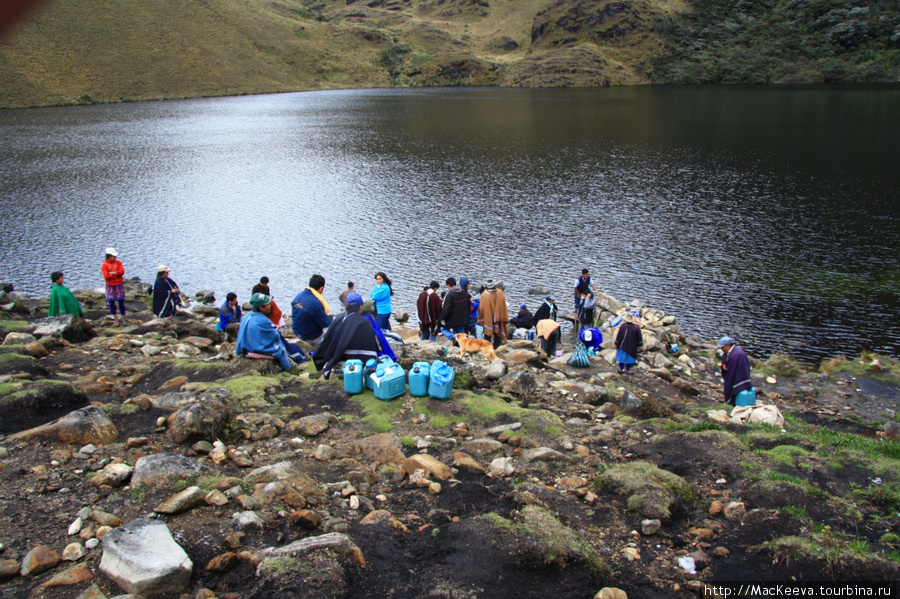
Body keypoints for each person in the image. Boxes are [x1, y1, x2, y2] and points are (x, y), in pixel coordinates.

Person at [313, 293, 384, 379]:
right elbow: (378, 346)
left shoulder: (340, 318)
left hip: (336, 357)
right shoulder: (363, 322)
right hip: (356, 360)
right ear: (360, 307)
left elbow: (328, 337)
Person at [235, 293, 296, 371]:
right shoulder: (263, 320)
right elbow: (274, 336)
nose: (270, 305)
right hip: (255, 348)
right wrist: (276, 332)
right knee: (280, 348)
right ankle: (289, 368)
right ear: (261, 307)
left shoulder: (246, 316)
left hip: (245, 347)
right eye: (268, 304)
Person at [291, 274, 334, 343]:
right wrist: (330, 317)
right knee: (333, 339)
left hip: (297, 331)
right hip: (310, 336)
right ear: (321, 288)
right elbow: (325, 323)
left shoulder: (299, 296)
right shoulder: (316, 303)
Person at [718, 336, 753, 406]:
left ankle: (733, 401)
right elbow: (725, 358)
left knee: (733, 386)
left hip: (739, 375)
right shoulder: (728, 352)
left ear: (728, 345)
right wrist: (724, 364)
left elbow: (735, 369)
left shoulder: (738, 354)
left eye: (722, 347)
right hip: (732, 373)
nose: (721, 349)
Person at [478, 279, 509, 349]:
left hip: (488, 316)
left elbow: (482, 308)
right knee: (497, 333)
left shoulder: (485, 295)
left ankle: (487, 348)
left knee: (487, 333)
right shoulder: (500, 292)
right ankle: (497, 348)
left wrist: (481, 318)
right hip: (498, 316)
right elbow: (503, 305)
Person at [440, 277, 471, 343]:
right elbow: (469, 306)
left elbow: (446, 309)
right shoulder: (464, 292)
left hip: (453, 320)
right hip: (463, 319)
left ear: (448, 285)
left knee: (442, 328)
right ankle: (462, 350)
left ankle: (453, 337)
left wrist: (442, 318)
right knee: (462, 337)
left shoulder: (449, 294)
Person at [101, 247, 126, 326]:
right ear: (109, 256)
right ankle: (115, 318)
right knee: (112, 302)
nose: (115, 258)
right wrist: (117, 274)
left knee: (121, 302)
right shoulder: (104, 265)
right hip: (111, 286)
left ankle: (123, 318)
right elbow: (106, 276)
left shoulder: (118, 263)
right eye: (113, 256)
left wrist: (113, 273)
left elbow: (122, 271)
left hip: (119, 284)